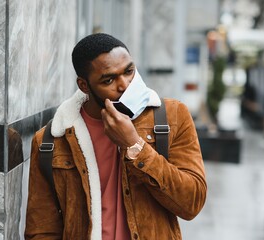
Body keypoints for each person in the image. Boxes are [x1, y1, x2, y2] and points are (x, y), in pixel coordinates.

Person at [25, 33, 207, 240]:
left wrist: (134, 145)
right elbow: (41, 230)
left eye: (129, 71)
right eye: (109, 79)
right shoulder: (50, 141)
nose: (125, 84)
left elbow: (192, 203)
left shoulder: (172, 117)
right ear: (84, 86)